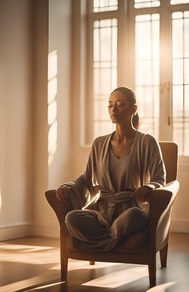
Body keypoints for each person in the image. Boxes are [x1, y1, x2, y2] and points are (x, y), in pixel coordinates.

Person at [56, 87, 166, 251]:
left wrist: (148, 188)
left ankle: (95, 243)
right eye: (110, 105)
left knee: (133, 217)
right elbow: (86, 179)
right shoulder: (99, 143)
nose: (113, 109)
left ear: (133, 109)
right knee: (71, 218)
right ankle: (117, 241)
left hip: (132, 208)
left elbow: (160, 179)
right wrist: (68, 186)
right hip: (103, 212)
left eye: (120, 104)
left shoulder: (147, 142)